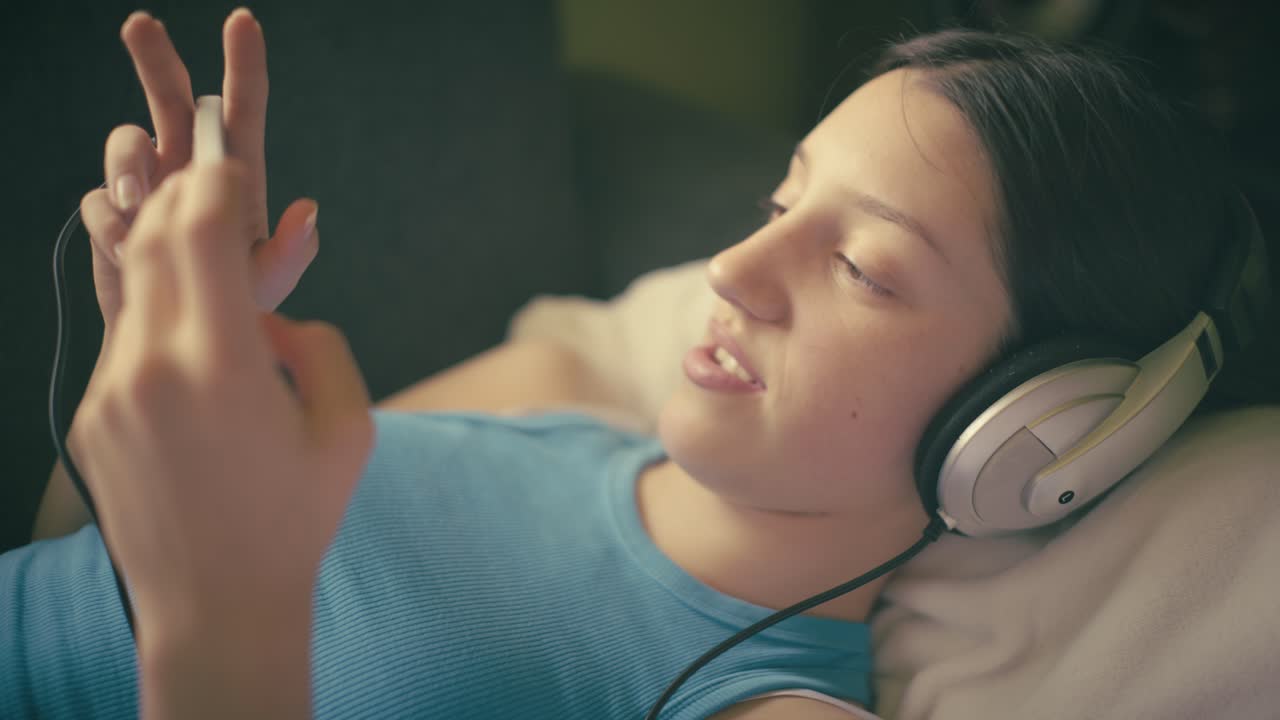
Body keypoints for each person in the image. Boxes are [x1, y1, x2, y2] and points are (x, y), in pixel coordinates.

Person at [6, 8, 1269, 720]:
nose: (728, 271)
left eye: (862, 268)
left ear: (1027, 430)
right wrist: (148, 360)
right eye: (781, 207)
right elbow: (80, 572)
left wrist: (223, 622)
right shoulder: (547, 401)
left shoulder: (755, 704)